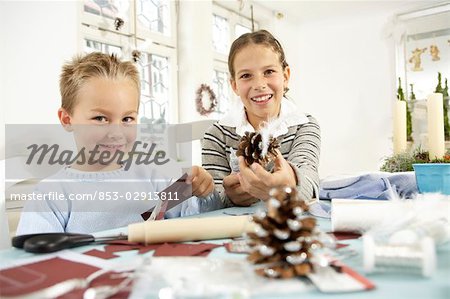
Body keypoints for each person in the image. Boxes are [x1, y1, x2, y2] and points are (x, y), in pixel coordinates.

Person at [16, 52, 217, 235]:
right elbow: (33, 260)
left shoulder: (154, 179)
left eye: (127, 119)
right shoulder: (50, 195)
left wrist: (204, 192)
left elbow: (199, 219)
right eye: (100, 118)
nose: (116, 133)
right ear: (67, 119)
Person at [202, 30, 320, 207]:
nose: (259, 85)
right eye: (246, 75)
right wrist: (230, 197)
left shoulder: (304, 125)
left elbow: (309, 183)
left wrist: (290, 184)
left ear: (285, 76)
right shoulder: (216, 136)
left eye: (269, 71)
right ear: (234, 85)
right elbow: (212, 202)